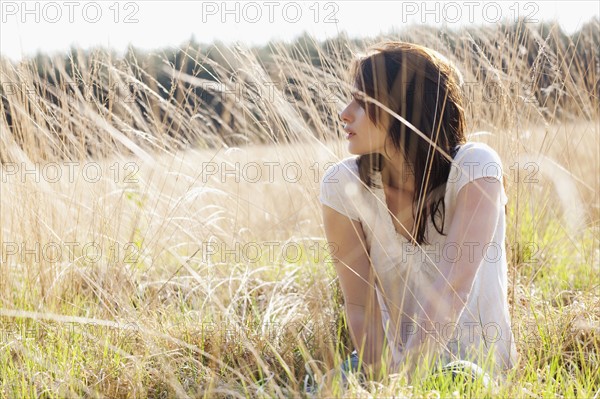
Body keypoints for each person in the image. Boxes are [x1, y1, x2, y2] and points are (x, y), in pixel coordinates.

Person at [318, 41, 519, 388]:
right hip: (390, 366)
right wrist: (384, 382)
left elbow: (453, 286)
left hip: (472, 366)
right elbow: (360, 306)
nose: (344, 113)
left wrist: (405, 386)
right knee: (328, 387)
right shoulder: (342, 185)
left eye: (363, 102)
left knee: (461, 380)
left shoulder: (475, 167)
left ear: (405, 110)